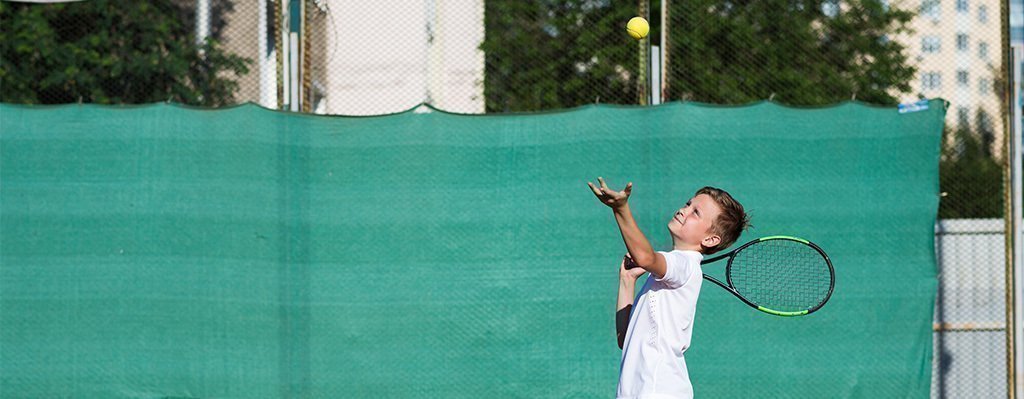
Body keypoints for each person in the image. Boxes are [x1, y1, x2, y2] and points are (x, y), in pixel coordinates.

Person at [587, 177, 749, 399]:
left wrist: (621, 209)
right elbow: (626, 340)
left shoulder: (683, 264)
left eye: (696, 213)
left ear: (711, 239)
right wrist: (627, 281)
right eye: (688, 204)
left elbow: (644, 257)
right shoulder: (670, 272)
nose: (684, 210)